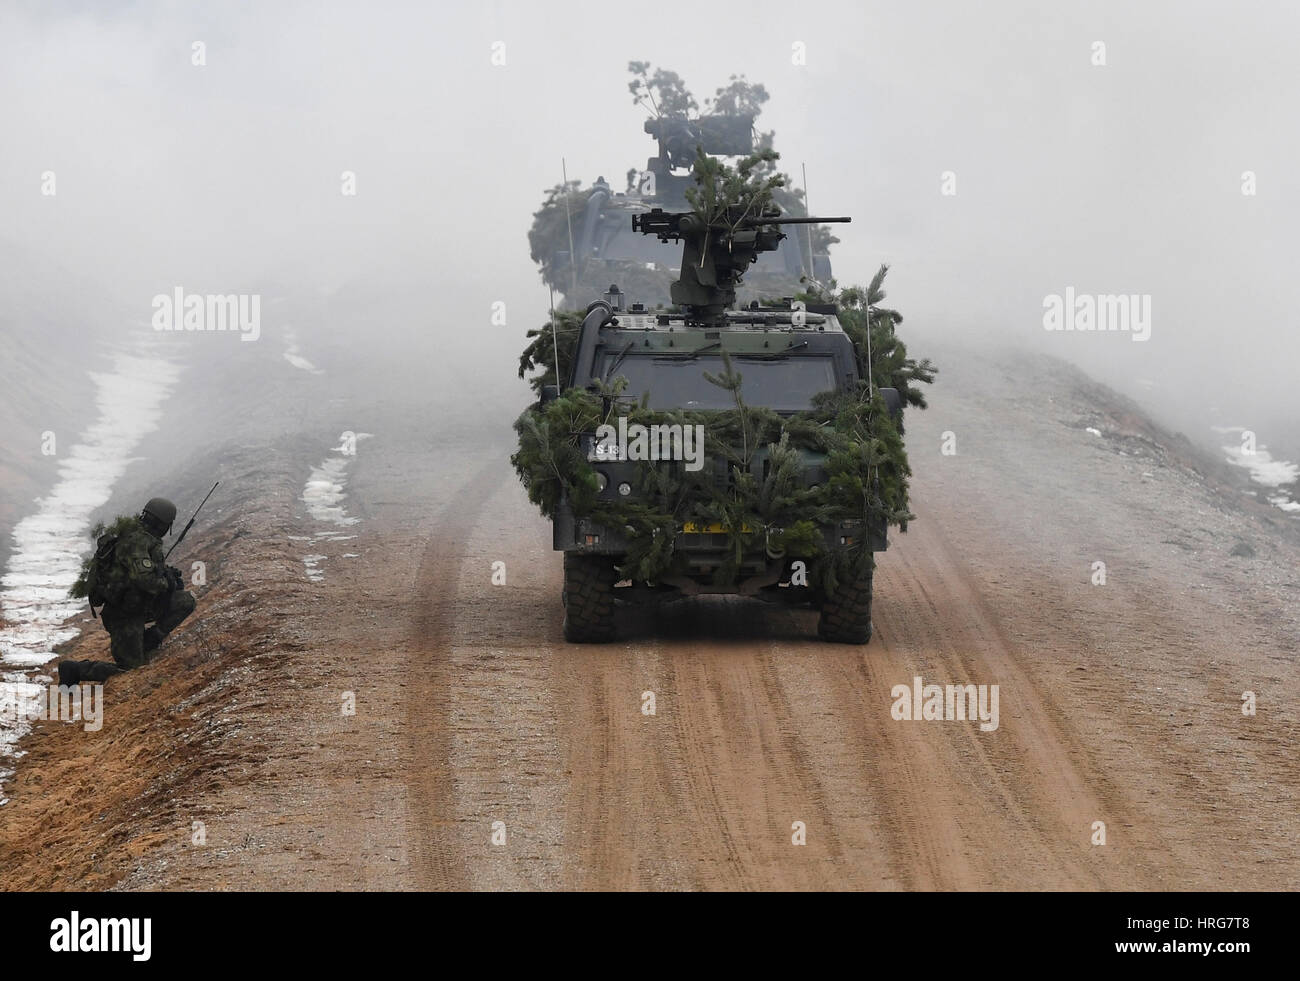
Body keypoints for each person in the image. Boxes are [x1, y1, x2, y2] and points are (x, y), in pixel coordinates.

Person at [58, 497, 196, 685]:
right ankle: (75, 669)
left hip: (139, 606)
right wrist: (167, 582)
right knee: (130, 671)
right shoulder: (137, 541)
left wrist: (165, 573)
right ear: (163, 524)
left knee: (185, 601)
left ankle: (148, 642)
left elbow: (138, 572)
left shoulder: (137, 536)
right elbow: (146, 580)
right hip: (123, 616)